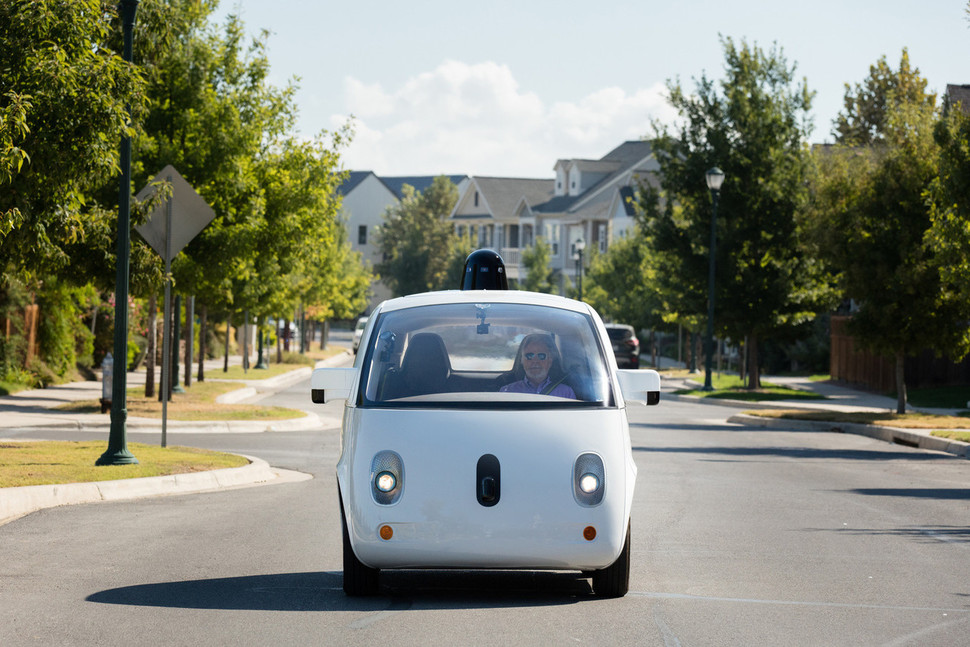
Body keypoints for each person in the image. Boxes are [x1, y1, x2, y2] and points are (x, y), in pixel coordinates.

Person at [500, 333, 576, 399]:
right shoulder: (507, 392)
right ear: (521, 360)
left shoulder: (566, 393)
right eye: (529, 356)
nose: (535, 361)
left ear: (550, 360)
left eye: (541, 356)